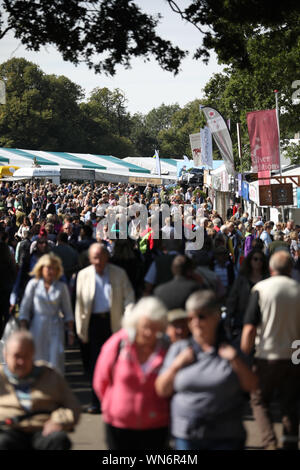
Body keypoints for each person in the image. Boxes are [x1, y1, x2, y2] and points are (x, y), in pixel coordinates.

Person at [155, 290, 258, 450]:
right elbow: (162, 389)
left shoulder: (232, 350)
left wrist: (235, 360)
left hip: (226, 436)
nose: (195, 322)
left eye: (201, 316)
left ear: (216, 317)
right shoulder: (179, 350)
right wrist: (176, 365)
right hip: (187, 435)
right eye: (190, 318)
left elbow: (251, 385)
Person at [93, 297, 170, 450]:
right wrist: (112, 406)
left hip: (156, 424)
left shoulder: (166, 348)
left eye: (154, 328)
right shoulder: (118, 344)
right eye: (145, 327)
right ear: (135, 324)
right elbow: (100, 381)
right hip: (118, 424)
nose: (149, 333)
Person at [241, 250, 300, 450]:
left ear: (270, 268)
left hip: (267, 354)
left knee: (258, 400)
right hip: (294, 356)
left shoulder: (261, 289)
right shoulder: (298, 289)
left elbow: (249, 327)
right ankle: (290, 443)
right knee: (290, 403)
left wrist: (245, 352)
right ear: (291, 269)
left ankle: (269, 442)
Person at [75, 242, 135, 414]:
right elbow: (79, 305)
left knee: (116, 363)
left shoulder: (118, 274)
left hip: (113, 323)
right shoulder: (83, 275)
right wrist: (80, 330)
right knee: (95, 365)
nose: (98, 262)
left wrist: (129, 317)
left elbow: (129, 298)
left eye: (100, 258)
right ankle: (96, 402)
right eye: (94, 258)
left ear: (107, 257)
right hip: (93, 324)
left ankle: (116, 401)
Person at [0, 331, 81, 450]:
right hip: (9, 430)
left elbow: (73, 406)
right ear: (5, 355)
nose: (21, 362)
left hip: (43, 430)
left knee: (58, 440)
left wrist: (59, 420)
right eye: (17, 356)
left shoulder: (50, 375)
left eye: (26, 356)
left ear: (33, 354)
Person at [18, 253, 74, 375]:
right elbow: (25, 309)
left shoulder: (61, 287)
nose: (50, 271)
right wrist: (23, 329)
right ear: (41, 268)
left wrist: (70, 331)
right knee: (37, 359)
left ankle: (55, 390)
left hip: (55, 326)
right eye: (48, 267)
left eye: (53, 268)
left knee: (55, 360)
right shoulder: (33, 284)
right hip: (37, 326)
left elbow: (68, 311)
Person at [226, 249, 269, 343]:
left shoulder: (267, 280)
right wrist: (228, 319)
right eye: (255, 259)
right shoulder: (242, 279)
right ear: (250, 260)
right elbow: (233, 300)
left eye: (261, 259)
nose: (258, 262)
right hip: (243, 319)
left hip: (263, 320)